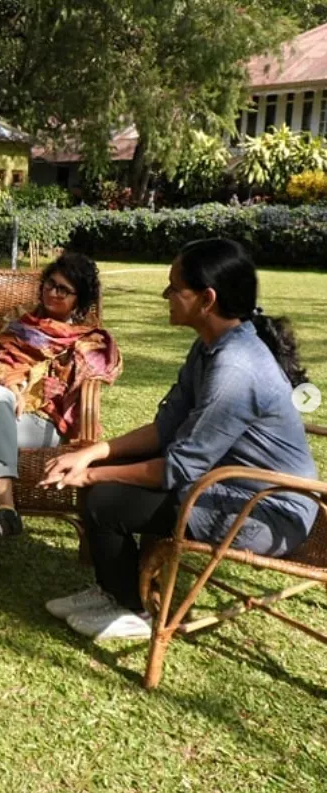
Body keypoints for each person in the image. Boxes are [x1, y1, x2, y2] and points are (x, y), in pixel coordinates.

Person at [40, 238, 318, 640]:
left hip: (266, 511)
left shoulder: (236, 369)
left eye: (174, 287)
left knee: (105, 499)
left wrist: (92, 475)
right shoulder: (209, 347)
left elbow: (176, 469)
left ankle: (133, 609)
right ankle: (112, 589)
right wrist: (93, 454)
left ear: (207, 299)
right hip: (226, 485)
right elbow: (166, 428)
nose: (165, 295)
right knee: (101, 475)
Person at [0, 252, 123, 584]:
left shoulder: (88, 340)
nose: (53, 292)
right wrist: (16, 386)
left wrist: (46, 384)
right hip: (7, 413)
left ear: (79, 299)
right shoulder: (20, 324)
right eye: (50, 284)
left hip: (49, 424)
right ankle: (5, 511)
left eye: (64, 290)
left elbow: (94, 376)